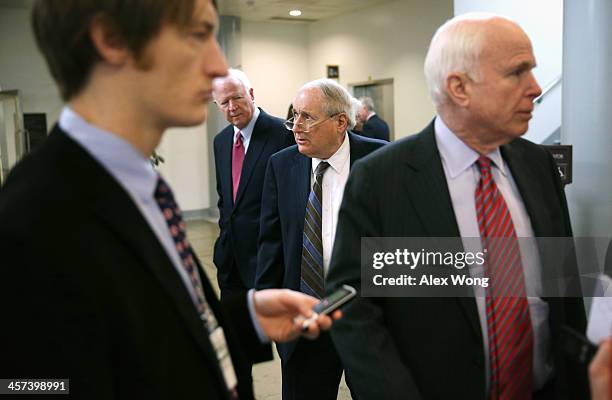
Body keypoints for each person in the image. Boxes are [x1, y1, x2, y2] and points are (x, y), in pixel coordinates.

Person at [0, 1, 335, 399]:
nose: (215, 65)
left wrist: (242, 321)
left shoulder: (134, 182)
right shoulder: (32, 219)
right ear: (110, 41)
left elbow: (134, 337)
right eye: (197, 36)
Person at [326, 13, 588, 399]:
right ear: (459, 88)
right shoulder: (382, 180)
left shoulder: (538, 166)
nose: (534, 88)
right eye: (518, 73)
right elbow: (354, 308)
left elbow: (564, 289)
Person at [255, 79, 385, 399]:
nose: (296, 126)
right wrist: (268, 304)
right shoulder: (282, 165)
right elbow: (272, 242)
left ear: (341, 121)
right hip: (304, 321)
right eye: (294, 116)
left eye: (307, 117)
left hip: (368, 322)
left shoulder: (381, 161)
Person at [212, 69, 294, 300]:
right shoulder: (221, 141)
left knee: (273, 332)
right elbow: (225, 200)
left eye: (236, 97)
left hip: (268, 261)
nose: (232, 107)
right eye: (224, 102)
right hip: (230, 262)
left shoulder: (283, 135)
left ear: (251, 93)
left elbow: (291, 203)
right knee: (238, 331)